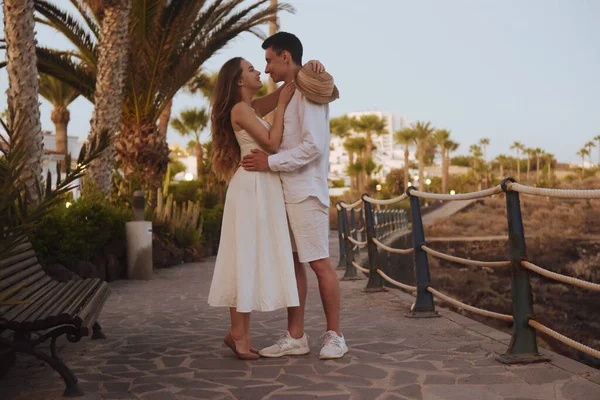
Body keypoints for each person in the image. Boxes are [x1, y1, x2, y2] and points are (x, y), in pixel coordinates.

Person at [207, 56, 324, 360]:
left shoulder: (252, 107)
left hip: (262, 185)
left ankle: (239, 335)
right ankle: (238, 335)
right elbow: (272, 144)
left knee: (248, 257)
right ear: (238, 80)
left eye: (262, 64)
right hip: (252, 187)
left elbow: (292, 85)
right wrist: (282, 109)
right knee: (243, 256)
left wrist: (310, 67)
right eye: (251, 69)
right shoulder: (240, 110)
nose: (260, 70)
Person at [241, 32, 347, 360]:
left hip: (305, 192)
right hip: (285, 192)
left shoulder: (309, 89)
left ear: (286, 56)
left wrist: (269, 162)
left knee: (319, 263)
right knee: (294, 267)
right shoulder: (289, 92)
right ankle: (296, 336)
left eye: (270, 60)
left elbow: (313, 146)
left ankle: (336, 336)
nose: (267, 67)